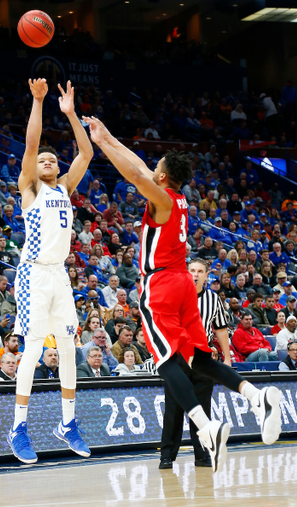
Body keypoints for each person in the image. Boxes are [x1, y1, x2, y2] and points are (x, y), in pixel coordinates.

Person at [84, 116, 282, 474]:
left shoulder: (159, 197)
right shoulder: (177, 199)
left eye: (155, 169)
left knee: (165, 362)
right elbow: (141, 166)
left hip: (160, 284)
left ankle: (206, 429)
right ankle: (256, 395)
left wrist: (106, 145)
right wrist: (106, 137)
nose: (150, 169)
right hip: (183, 286)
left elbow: (135, 174)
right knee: (197, 359)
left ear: (161, 177)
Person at [8, 79, 94, 465]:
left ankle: (67, 423)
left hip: (60, 275)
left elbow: (87, 152)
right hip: (33, 275)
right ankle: (19, 428)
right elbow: (30, 144)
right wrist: (38, 101)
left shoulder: (63, 188)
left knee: (69, 349)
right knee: (32, 349)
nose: (48, 162)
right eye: (43, 161)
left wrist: (71, 113)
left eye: (52, 160)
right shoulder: (30, 188)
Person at [160, 258, 230, 469]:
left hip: (202, 356)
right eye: (192, 270)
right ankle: (166, 455)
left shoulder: (213, 299)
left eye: (200, 271)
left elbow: (220, 329)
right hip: (177, 355)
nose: (196, 274)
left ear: (206, 275)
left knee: (202, 407)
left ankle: (202, 454)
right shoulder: (173, 296)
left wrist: (226, 357)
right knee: (173, 407)